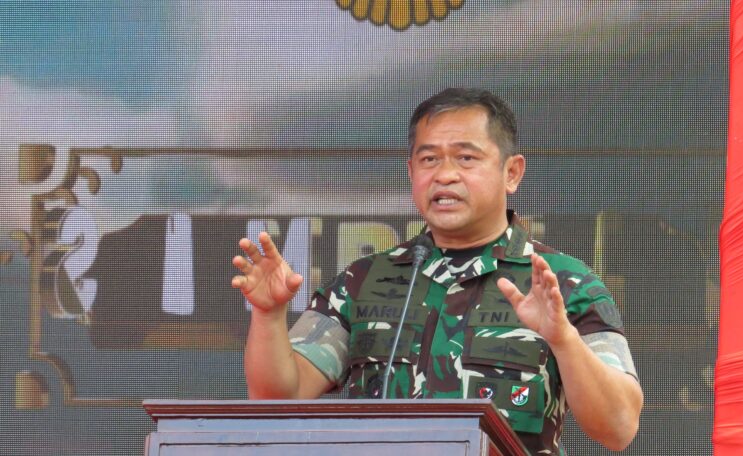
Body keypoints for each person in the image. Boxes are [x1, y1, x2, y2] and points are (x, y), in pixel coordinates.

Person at [232, 88, 643, 454]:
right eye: (429, 159)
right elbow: (277, 401)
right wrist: (268, 315)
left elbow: (619, 427)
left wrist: (563, 340)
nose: (445, 175)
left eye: (466, 158)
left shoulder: (562, 283)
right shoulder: (363, 280)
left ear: (512, 173)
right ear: (411, 172)